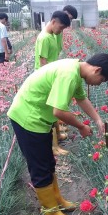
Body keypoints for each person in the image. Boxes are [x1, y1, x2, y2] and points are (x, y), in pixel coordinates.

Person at [7, 53, 108, 215]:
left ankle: (57, 200)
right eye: (102, 80)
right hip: (28, 119)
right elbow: (58, 112)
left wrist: (97, 119)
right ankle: (51, 212)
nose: (98, 85)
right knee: (40, 166)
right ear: (97, 70)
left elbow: (81, 99)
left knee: (48, 162)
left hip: (38, 119)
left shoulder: (75, 69)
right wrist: (81, 126)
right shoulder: (69, 74)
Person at [33, 11, 72, 156]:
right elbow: (43, 63)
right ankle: (53, 146)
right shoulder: (44, 38)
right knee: (49, 112)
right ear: (53, 21)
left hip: (51, 77)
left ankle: (58, 138)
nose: (61, 31)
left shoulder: (52, 36)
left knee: (53, 110)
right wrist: (53, 81)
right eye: (60, 27)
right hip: (45, 79)